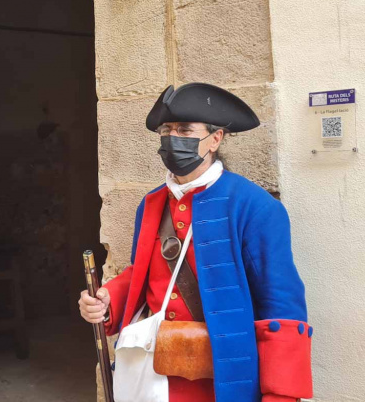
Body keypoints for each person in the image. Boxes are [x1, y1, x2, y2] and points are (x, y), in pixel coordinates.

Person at [78, 83, 313, 402]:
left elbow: (280, 305)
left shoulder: (253, 206)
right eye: (167, 129)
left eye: (186, 129)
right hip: (152, 375)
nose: (174, 137)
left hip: (220, 381)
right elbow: (142, 273)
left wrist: (280, 396)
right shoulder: (152, 203)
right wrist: (108, 300)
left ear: (215, 138)